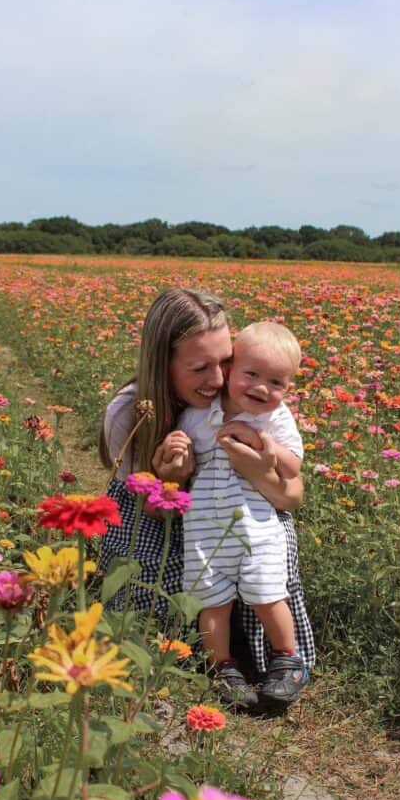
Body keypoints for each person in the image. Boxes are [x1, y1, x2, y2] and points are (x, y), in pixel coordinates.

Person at [99, 287, 314, 710]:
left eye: (225, 362)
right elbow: (149, 508)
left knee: (266, 550)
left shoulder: (245, 392)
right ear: (163, 364)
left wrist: (256, 470)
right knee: (159, 567)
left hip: (234, 500)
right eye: (200, 367)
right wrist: (172, 481)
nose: (217, 380)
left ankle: (278, 658)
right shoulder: (129, 411)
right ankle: (201, 657)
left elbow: (292, 494)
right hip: (158, 511)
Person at [179, 321, 306, 711]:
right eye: (251, 374)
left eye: (277, 382)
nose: (262, 388)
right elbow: (185, 458)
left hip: (258, 524)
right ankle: (223, 668)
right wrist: (175, 450)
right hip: (203, 527)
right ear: (230, 370)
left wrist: (264, 446)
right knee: (210, 599)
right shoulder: (199, 415)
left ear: (288, 389)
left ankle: (288, 660)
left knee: (267, 592)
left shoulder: (276, 419)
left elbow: (294, 467)